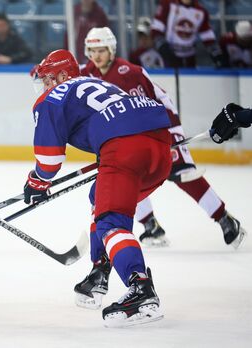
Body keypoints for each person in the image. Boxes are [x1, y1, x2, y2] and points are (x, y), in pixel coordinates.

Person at [24, 49, 171, 327]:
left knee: (111, 221)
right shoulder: (102, 84)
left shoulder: (53, 97)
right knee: (99, 197)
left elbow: (49, 158)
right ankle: (100, 271)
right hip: (160, 147)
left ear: (63, 75)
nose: (44, 86)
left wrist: (37, 182)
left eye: (47, 78)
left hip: (125, 149)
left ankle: (141, 289)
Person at [79, 27, 246, 253]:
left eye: (101, 50)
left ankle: (224, 218)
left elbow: (162, 99)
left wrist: (174, 132)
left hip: (152, 131)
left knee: (183, 175)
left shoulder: (131, 73)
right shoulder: (87, 73)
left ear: (112, 49)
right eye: (92, 51)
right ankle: (151, 225)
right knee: (125, 179)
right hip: (120, 139)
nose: (96, 56)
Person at [151, 0, 228, 68]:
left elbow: (208, 38)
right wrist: (163, 48)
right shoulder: (167, 4)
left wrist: (217, 55)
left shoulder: (201, 11)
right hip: (169, 57)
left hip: (189, 59)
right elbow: (156, 30)